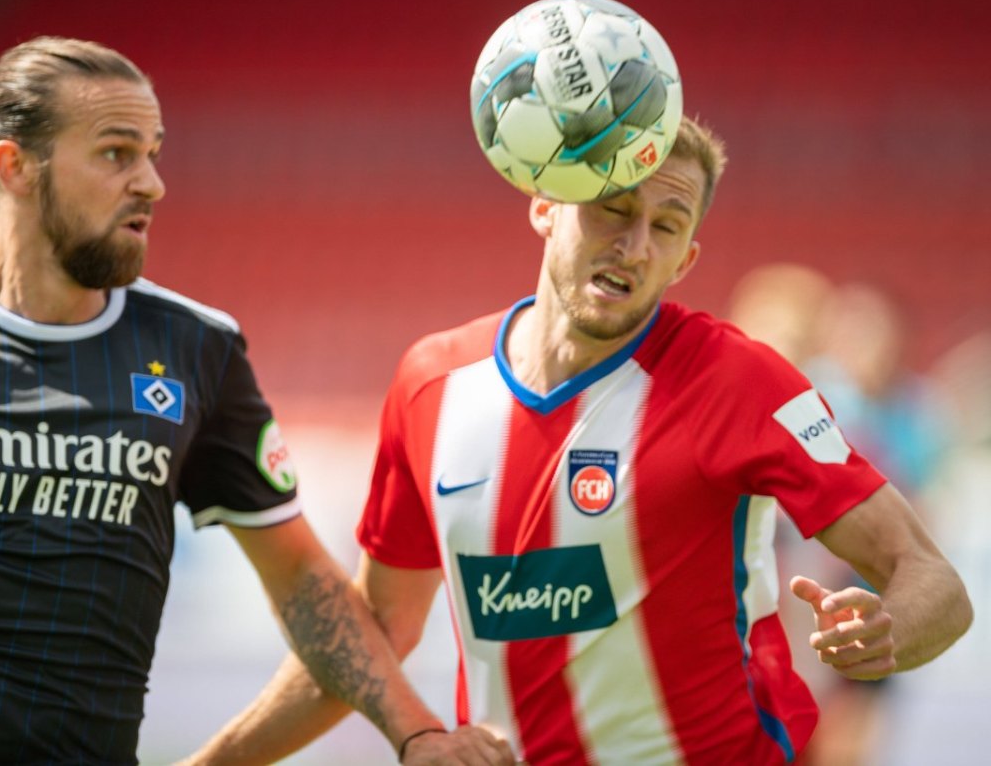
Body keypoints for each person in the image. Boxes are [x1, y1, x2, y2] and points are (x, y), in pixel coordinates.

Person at [0, 37, 514, 765]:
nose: (152, 183)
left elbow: (302, 581)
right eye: (116, 154)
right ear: (14, 166)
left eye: (153, 153)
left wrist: (415, 732)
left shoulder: (198, 348)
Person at [187, 116, 973, 766]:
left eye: (666, 227)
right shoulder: (433, 385)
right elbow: (376, 631)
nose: (635, 246)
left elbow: (932, 580)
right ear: (545, 203)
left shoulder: (743, 381)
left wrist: (887, 630)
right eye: (612, 209)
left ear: (687, 257)